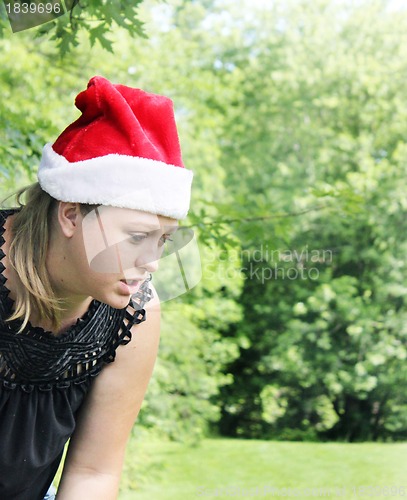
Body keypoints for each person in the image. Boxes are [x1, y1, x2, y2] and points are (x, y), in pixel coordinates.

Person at [0, 76, 193, 499]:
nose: (152, 263)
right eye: (137, 236)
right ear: (71, 214)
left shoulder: (134, 315)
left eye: (162, 240)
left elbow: (93, 472)